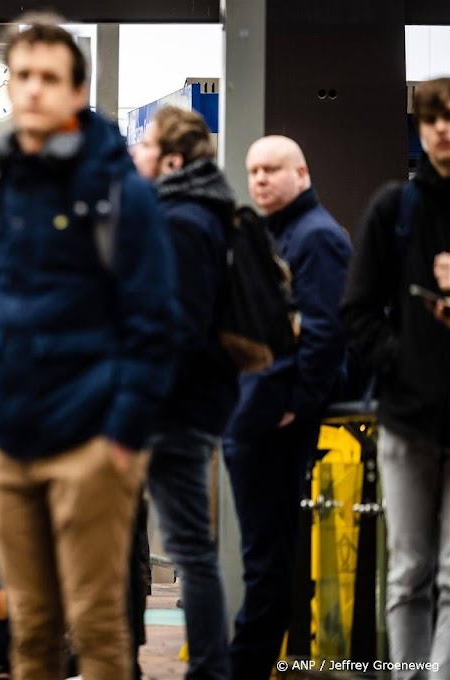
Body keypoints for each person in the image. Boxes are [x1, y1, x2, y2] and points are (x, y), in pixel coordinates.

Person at [0, 16, 178, 680]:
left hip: (91, 444)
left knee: (99, 627)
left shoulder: (117, 192)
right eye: (23, 76)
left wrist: (121, 437)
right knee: (30, 629)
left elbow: (153, 323)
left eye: (50, 77)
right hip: (6, 444)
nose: (34, 90)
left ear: (77, 92)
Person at [223, 135, 352, 679]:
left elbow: (325, 334)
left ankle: (244, 667)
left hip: (276, 417)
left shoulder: (317, 237)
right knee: (266, 555)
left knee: (267, 559)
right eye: (253, 171)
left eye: (272, 169)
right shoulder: (274, 233)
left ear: (301, 172)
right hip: (256, 410)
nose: (259, 180)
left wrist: (294, 405)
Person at [340, 77, 450, 679]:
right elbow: (356, 310)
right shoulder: (395, 208)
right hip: (407, 420)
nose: (442, 129)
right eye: (431, 118)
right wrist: (401, 364)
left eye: (449, 117)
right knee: (408, 568)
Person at [129, 105, 237, 680]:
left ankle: (209, 668)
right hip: (186, 404)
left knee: (189, 548)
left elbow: (177, 325)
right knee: (191, 545)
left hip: (163, 408)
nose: (137, 152)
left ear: (172, 159)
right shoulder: (209, 214)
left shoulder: (180, 220)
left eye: (145, 144)